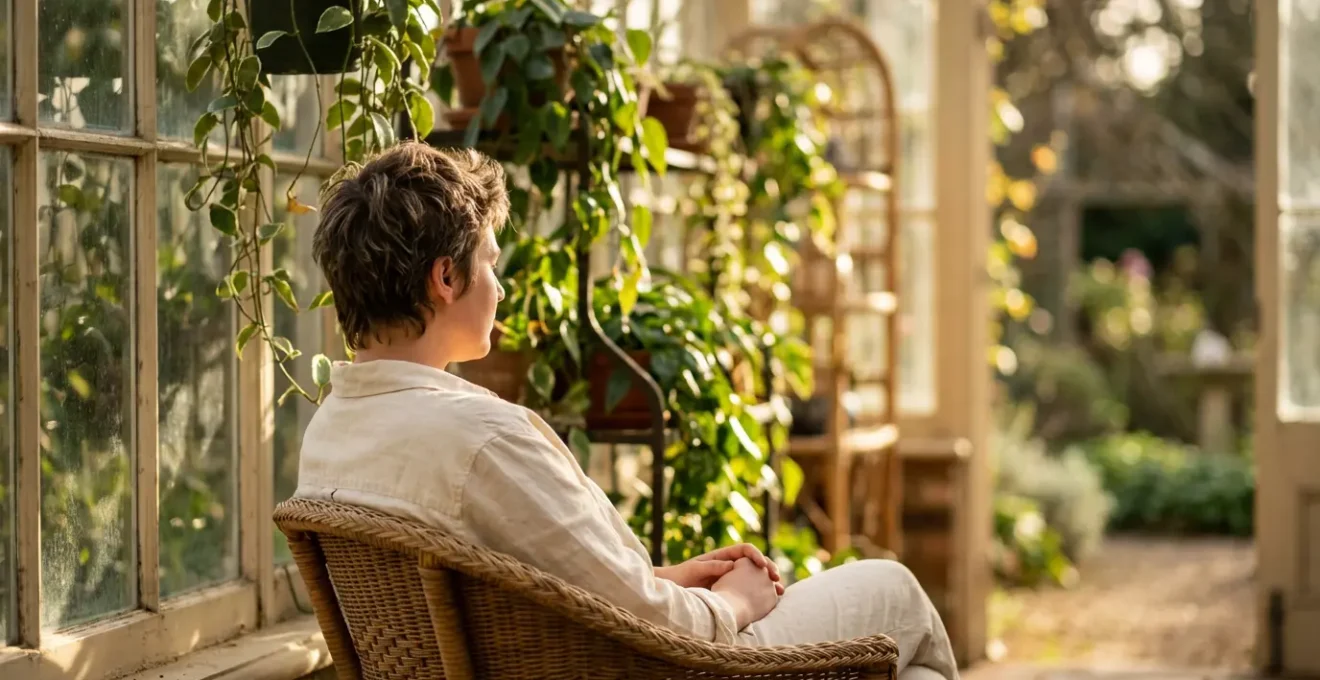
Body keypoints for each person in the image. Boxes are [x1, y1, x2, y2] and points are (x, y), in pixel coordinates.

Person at [294, 142, 959, 680]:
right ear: (446, 279)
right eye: (491, 264)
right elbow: (656, 632)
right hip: (674, 666)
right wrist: (731, 601)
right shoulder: (481, 441)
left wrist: (662, 578)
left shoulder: (332, 435)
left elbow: (515, 594)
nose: (499, 286)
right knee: (895, 593)